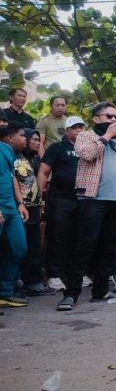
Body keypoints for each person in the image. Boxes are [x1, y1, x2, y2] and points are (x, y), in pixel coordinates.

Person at [58, 102, 116, 311]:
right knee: (85, 246)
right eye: (109, 116)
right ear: (96, 119)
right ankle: (71, 294)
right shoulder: (86, 137)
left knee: (109, 247)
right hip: (92, 200)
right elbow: (86, 154)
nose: (114, 120)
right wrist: (106, 136)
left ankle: (100, 290)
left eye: (115, 116)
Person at [37, 116, 84, 292]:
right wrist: (37, 198)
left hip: (83, 199)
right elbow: (43, 172)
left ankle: (75, 273)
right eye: (74, 127)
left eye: (81, 127)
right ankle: (55, 275)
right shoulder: (57, 148)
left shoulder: (88, 149)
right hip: (61, 199)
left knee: (80, 237)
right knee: (58, 236)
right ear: (66, 131)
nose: (78, 130)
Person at [16, 129, 53, 296]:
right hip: (19, 207)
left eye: (39, 140)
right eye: (34, 139)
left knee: (35, 246)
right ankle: (19, 282)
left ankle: (34, 282)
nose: (38, 143)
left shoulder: (36, 158)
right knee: (20, 247)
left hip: (35, 207)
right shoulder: (14, 156)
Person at [0, 124, 29, 308]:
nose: (25, 139)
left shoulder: (9, 152)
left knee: (19, 247)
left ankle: (5, 293)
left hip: (11, 207)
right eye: (22, 135)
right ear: (10, 138)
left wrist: (20, 203)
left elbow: (11, 178)